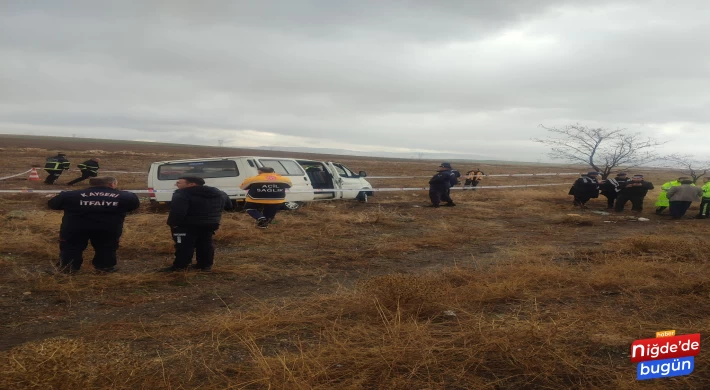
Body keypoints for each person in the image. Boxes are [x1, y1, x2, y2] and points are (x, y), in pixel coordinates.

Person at [47, 176, 140, 274]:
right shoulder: (127, 196)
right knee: (107, 248)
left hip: (75, 228)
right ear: (112, 184)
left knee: (71, 247)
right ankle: (105, 268)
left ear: (91, 184)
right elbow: (134, 206)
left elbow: (52, 204)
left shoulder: (70, 195)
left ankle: (67, 269)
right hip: (108, 228)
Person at [161, 176, 232, 272]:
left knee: (183, 245)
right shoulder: (219, 193)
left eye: (179, 182)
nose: (176, 184)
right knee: (205, 244)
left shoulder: (182, 194)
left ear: (191, 184)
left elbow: (178, 212)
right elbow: (229, 206)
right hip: (210, 224)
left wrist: (173, 224)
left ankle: (180, 267)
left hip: (186, 225)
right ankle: (205, 265)